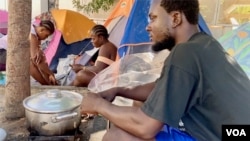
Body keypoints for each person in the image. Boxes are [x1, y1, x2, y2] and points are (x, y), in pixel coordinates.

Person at [80, 0, 250, 141]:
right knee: (142, 105)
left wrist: (98, 104)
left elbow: (145, 127)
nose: (148, 27)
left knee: (116, 136)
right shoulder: (205, 44)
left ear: (175, 18)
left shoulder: (185, 53)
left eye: (153, 18)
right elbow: (160, 89)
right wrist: (119, 90)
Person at [30, 20, 57, 85]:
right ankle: (47, 85)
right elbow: (36, 60)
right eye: (46, 35)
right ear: (42, 30)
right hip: (3, 52)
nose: (45, 38)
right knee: (31, 62)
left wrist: (48, 73)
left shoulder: (36, 33)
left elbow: (40, 58)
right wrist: (50, 73)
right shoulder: (32, 35)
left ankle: (49, 84)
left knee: (39, 58)